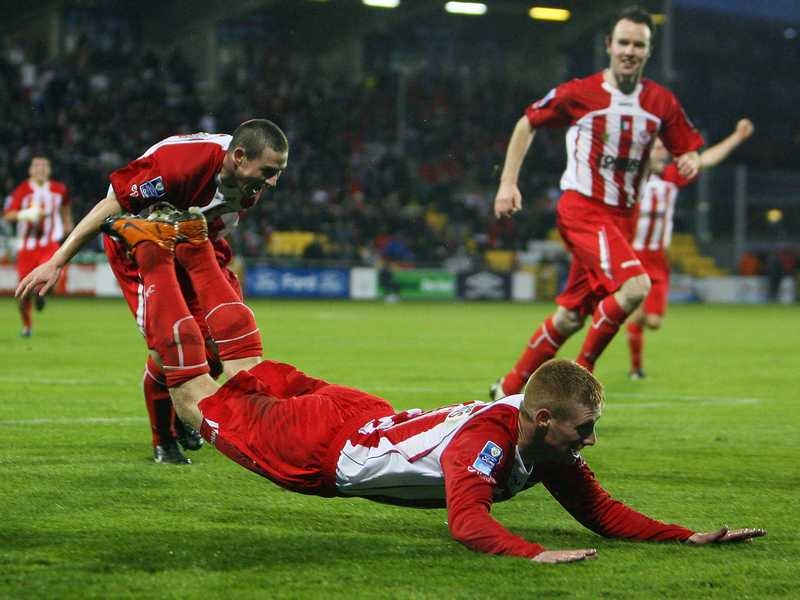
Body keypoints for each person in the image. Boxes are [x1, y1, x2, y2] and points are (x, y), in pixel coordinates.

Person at [101, 208, 764, 563]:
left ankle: (192, 244)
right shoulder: (489, 440)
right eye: (583, 429)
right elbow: (468, 523)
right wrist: (532, 552)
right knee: (199, 398)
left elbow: (603, 513)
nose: (591, 441)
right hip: (324, 449)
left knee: (244, 371)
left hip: (360, 415)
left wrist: (687, 536)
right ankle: (154, 249)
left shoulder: (545, 447)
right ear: (541, 420)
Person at [16, 119, 289, 464]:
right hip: (142, 248)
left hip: (196, 241)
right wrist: (57, 261)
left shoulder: (246, 176)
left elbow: (215, 218)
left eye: (278, 171)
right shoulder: (180, 166)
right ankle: (164, 440)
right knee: (172, 347)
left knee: (220, 344)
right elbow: (109, 207)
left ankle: (186, 411)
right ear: (238, 156)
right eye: (268, 171)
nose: (274, 181)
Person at [490, 6, 705, 400]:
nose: (629, 51)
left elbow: (685, 148)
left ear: (648, 51)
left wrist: (688, 158)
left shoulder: (661, 102)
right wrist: (508, 183)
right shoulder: (580, 93)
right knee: (636, 287)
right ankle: (582, 377)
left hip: (622, 219)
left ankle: (506, 388)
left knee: (570, 317)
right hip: (583, 208)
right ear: (608, 45)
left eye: (638, 45)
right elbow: (527, 122)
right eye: (623, 42)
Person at [627, 119, 754, 378]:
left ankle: (634, 339)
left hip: (658, 259)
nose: (662, 151)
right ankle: (636, 368)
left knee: (653, 322)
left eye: (664, 147)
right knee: (637, 314)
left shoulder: (672, 178)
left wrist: (736, 137)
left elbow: (705, 159)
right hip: (633, 257)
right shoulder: (631, 182)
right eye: (657, 147)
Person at [3, 155, 73, 337]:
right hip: (27, 247)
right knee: (22, 292)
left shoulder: (59, 190)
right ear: (30, 170)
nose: (41, 169)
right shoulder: (22, 191)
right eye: (37, 166)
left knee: (51, 276)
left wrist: (67, 223)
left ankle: (40, 294)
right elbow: (7, 215)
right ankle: (27, 325)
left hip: (49, 243)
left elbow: (65, 206)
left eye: (44, 165)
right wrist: (27, 215)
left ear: (49, 170)